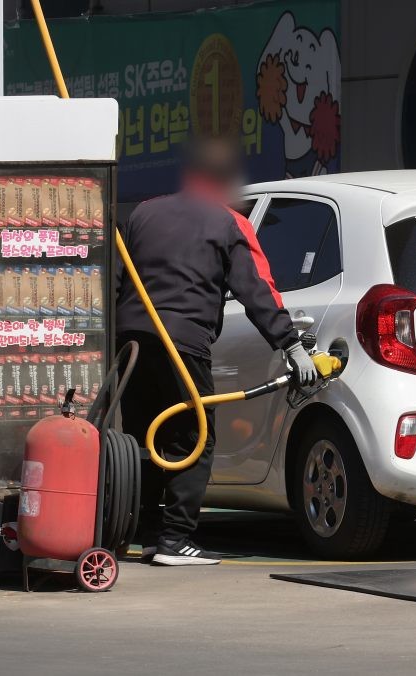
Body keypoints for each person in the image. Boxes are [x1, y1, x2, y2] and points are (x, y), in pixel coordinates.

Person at [116, 135, 318, 566]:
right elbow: (257, 290)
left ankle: (143, 533)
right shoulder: (228, 222)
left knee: (142, 437)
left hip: (129, 340)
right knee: (195, 436)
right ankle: (175, 541)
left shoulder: (143, 213)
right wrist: (291, 345)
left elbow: (118, 280)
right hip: (183, 341)